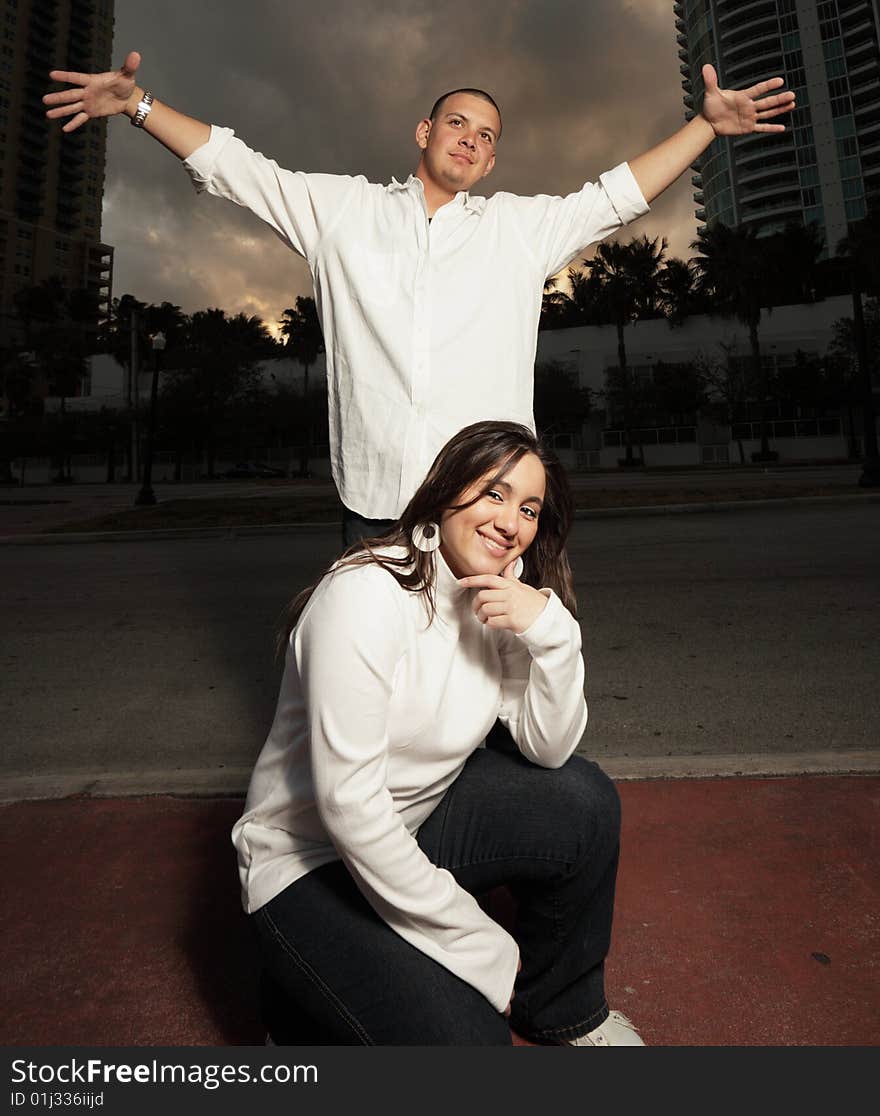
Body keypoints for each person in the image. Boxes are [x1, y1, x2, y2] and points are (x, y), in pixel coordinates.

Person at [44, 54, 795, 545]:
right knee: (375, 693)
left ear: (494, 158)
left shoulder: (519, 231)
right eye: (458, 122)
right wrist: (139, 104)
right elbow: (239, 168)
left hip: (489, 506)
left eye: (487, 135)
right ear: (425, 131)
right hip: (377, 507)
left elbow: (616, 196)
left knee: (486, 701)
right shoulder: (342, 213)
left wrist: (707, 125)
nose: (471, 139)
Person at [228, 419, 641, 1046]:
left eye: (529, 507)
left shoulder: (494, 596)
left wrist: (554, 637)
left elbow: (548, 749)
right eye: (494, 494)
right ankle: (299, 1002)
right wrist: (474, 938)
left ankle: (561, 1011)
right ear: (445, 491)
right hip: (310, 863)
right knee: (468, 1046)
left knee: (583, 802)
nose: (511, 521)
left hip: (415, 831)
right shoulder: (365, 593)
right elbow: (350, 808)